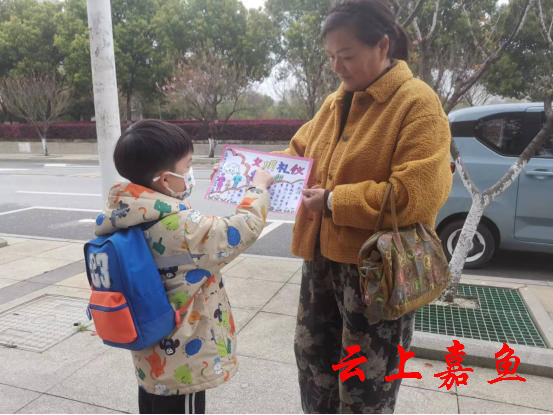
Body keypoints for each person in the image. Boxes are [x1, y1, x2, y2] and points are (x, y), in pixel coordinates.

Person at [280, 0, 452, 412]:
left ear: (382, 45)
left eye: (347, 55)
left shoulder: (416, 103)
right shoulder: (335, 102)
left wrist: (334, 201)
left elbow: (414, 194)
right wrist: (259, 171)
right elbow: (299, 152)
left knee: (365, 384)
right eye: (330, 57)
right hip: (322, 263)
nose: (337, 67)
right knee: (315, 365)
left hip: (376, 271)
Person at [95, 119, 273, 414]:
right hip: (184, 361)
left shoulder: (124, 214)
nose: (191, 172)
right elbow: (240, 229)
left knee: (153, 403)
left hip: (149, 347)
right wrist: (258, 188)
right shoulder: (181, 226)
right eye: (188, 165)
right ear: (165, 180)